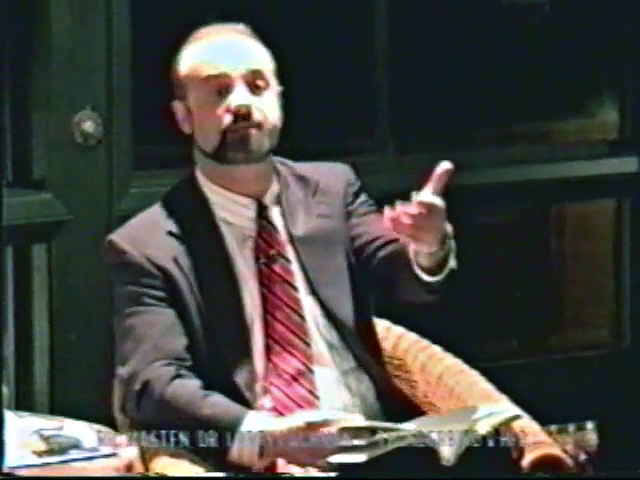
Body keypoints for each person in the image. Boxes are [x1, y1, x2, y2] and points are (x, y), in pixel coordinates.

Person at [105, 22, 573, 476]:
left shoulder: (332, 189)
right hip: (261, 455)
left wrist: (428, 245)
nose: (242, 103)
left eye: (257, 85)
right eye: (219, 91)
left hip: (374, 443)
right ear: (184, 116)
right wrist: (266, 436)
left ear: (279, 102)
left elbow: (401, 278)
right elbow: (154, 382)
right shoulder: (147, 245)